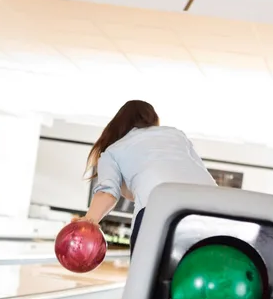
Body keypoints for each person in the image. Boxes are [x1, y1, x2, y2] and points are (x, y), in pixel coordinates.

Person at [81, 100, 216, 252]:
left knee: (145, 275)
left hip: (159, 209)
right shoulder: (176, 135)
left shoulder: (112, 151)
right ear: (153, 119)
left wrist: (87, 222)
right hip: (211, 208)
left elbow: (107, 193)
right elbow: (199, 171)